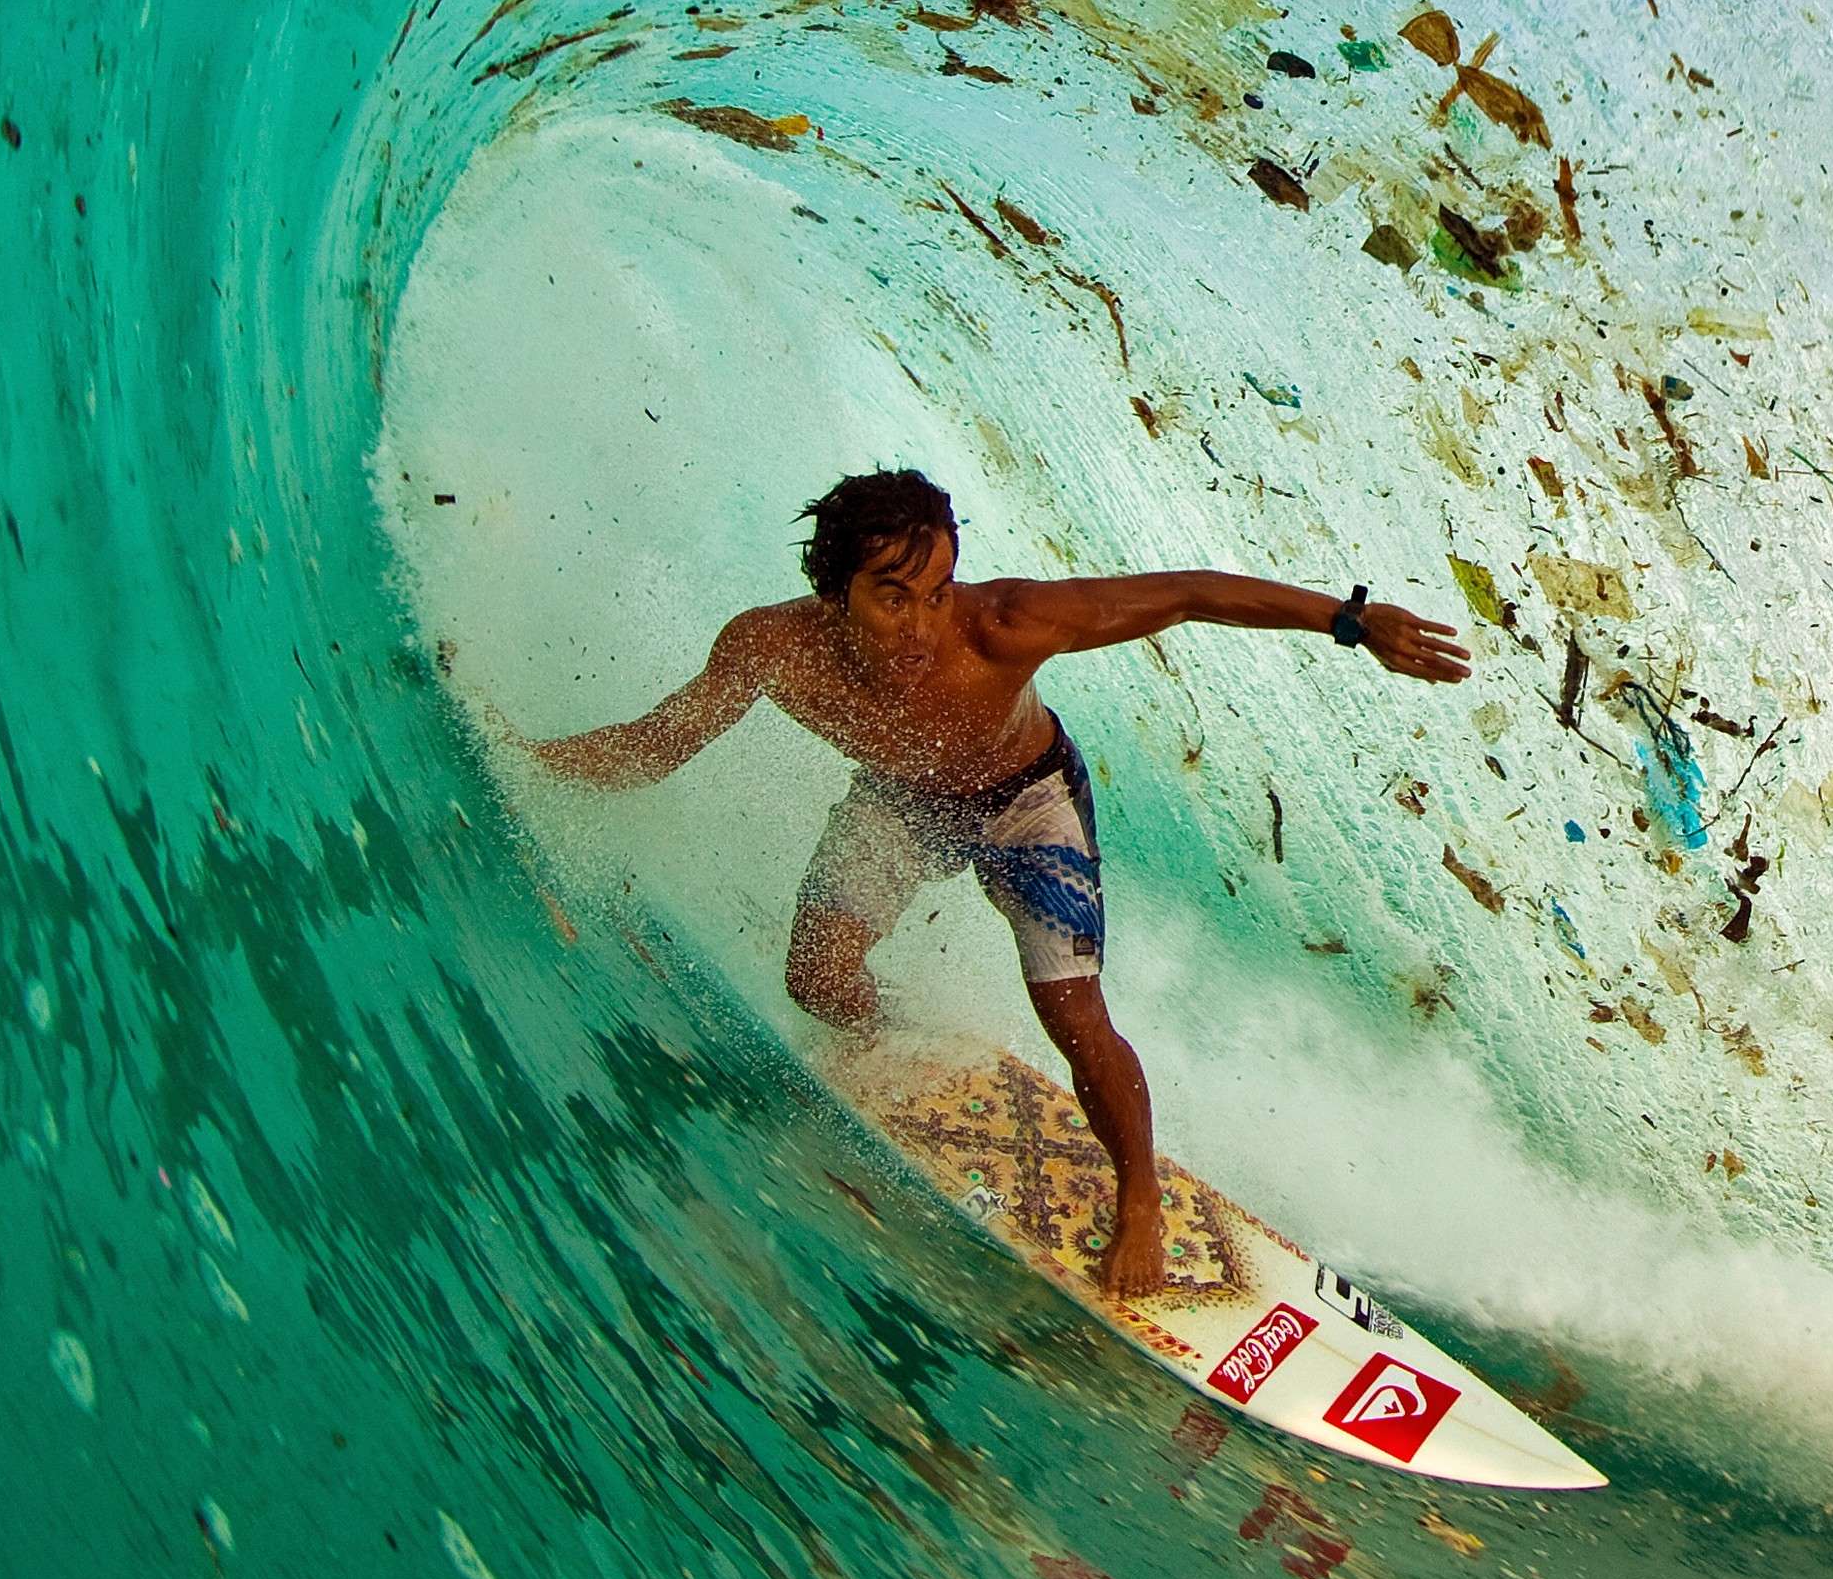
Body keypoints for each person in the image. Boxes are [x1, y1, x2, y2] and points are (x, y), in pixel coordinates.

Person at [513, 470, 1467, 1297]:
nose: (923, 623)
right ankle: (910, 1041)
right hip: (902, 799)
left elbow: (1184, 594)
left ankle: (1139, 1194)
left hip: (1026, 803)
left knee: (1073, 1016)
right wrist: (515, 755)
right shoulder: (771, 648)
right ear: (832, 587)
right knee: (817, 979)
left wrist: (1350, 620)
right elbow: (656, 744)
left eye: (937, 590)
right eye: (895, 597)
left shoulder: (1004, 625)